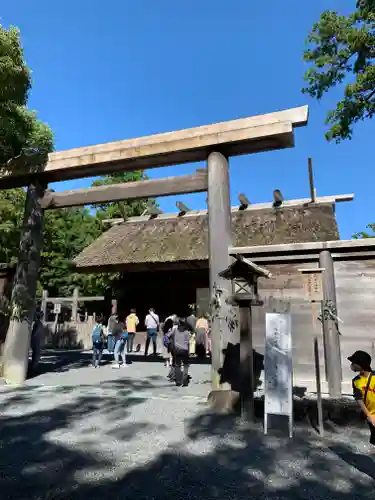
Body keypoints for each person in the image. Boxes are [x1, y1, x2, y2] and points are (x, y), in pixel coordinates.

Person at [349, 350, 375, 445]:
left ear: (361, 364)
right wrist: (369, 416)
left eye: (354, 363)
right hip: (371, 417)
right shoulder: (356, 381)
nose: (352, 365)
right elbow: (359, 399)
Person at [167, 317, 190, 386]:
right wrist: (188, 352)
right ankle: (185, 380)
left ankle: (178, 381)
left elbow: (167, 335)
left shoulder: (175, 330)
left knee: (177, 365)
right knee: (186, 365)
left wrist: (172, 344)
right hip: (185, 350)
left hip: (176, 350)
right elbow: (188, 342)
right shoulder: (187, 332)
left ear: (179, 323)